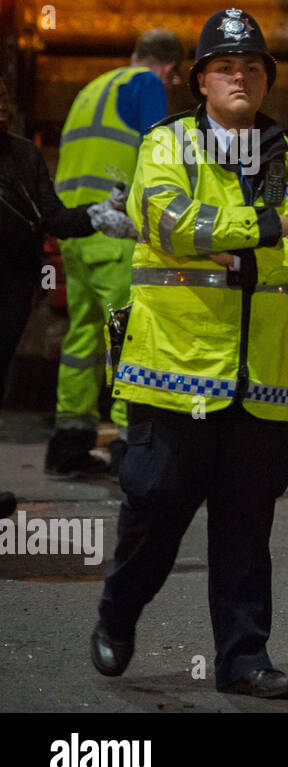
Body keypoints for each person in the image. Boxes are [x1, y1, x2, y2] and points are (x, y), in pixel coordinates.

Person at [91, 8, 288, 698]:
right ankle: (118, 611)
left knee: (245, 530)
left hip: (261, 381)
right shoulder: (166, 146)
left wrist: (246, 252)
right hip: (173, 373)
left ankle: (244, 658)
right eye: (226, 66)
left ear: (266, 81)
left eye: (253, 66)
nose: (241, 76)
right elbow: (170, 222)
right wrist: (265, 224)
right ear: (201, 80)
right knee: (156, 513)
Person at [45, 29, 184, 479]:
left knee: (84, 336)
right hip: (116, 230)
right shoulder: (146, 85)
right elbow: (155, 153)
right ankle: (130, 447)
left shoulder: (93, 87)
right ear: (169, 70)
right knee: (129, 336)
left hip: (77, 229)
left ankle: (69, 444)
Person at [1, 77, 135, 407]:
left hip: (13, 287)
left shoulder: (23, 155)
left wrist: (98, 214)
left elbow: (52, 218)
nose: (3, 105)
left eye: (4, 96)